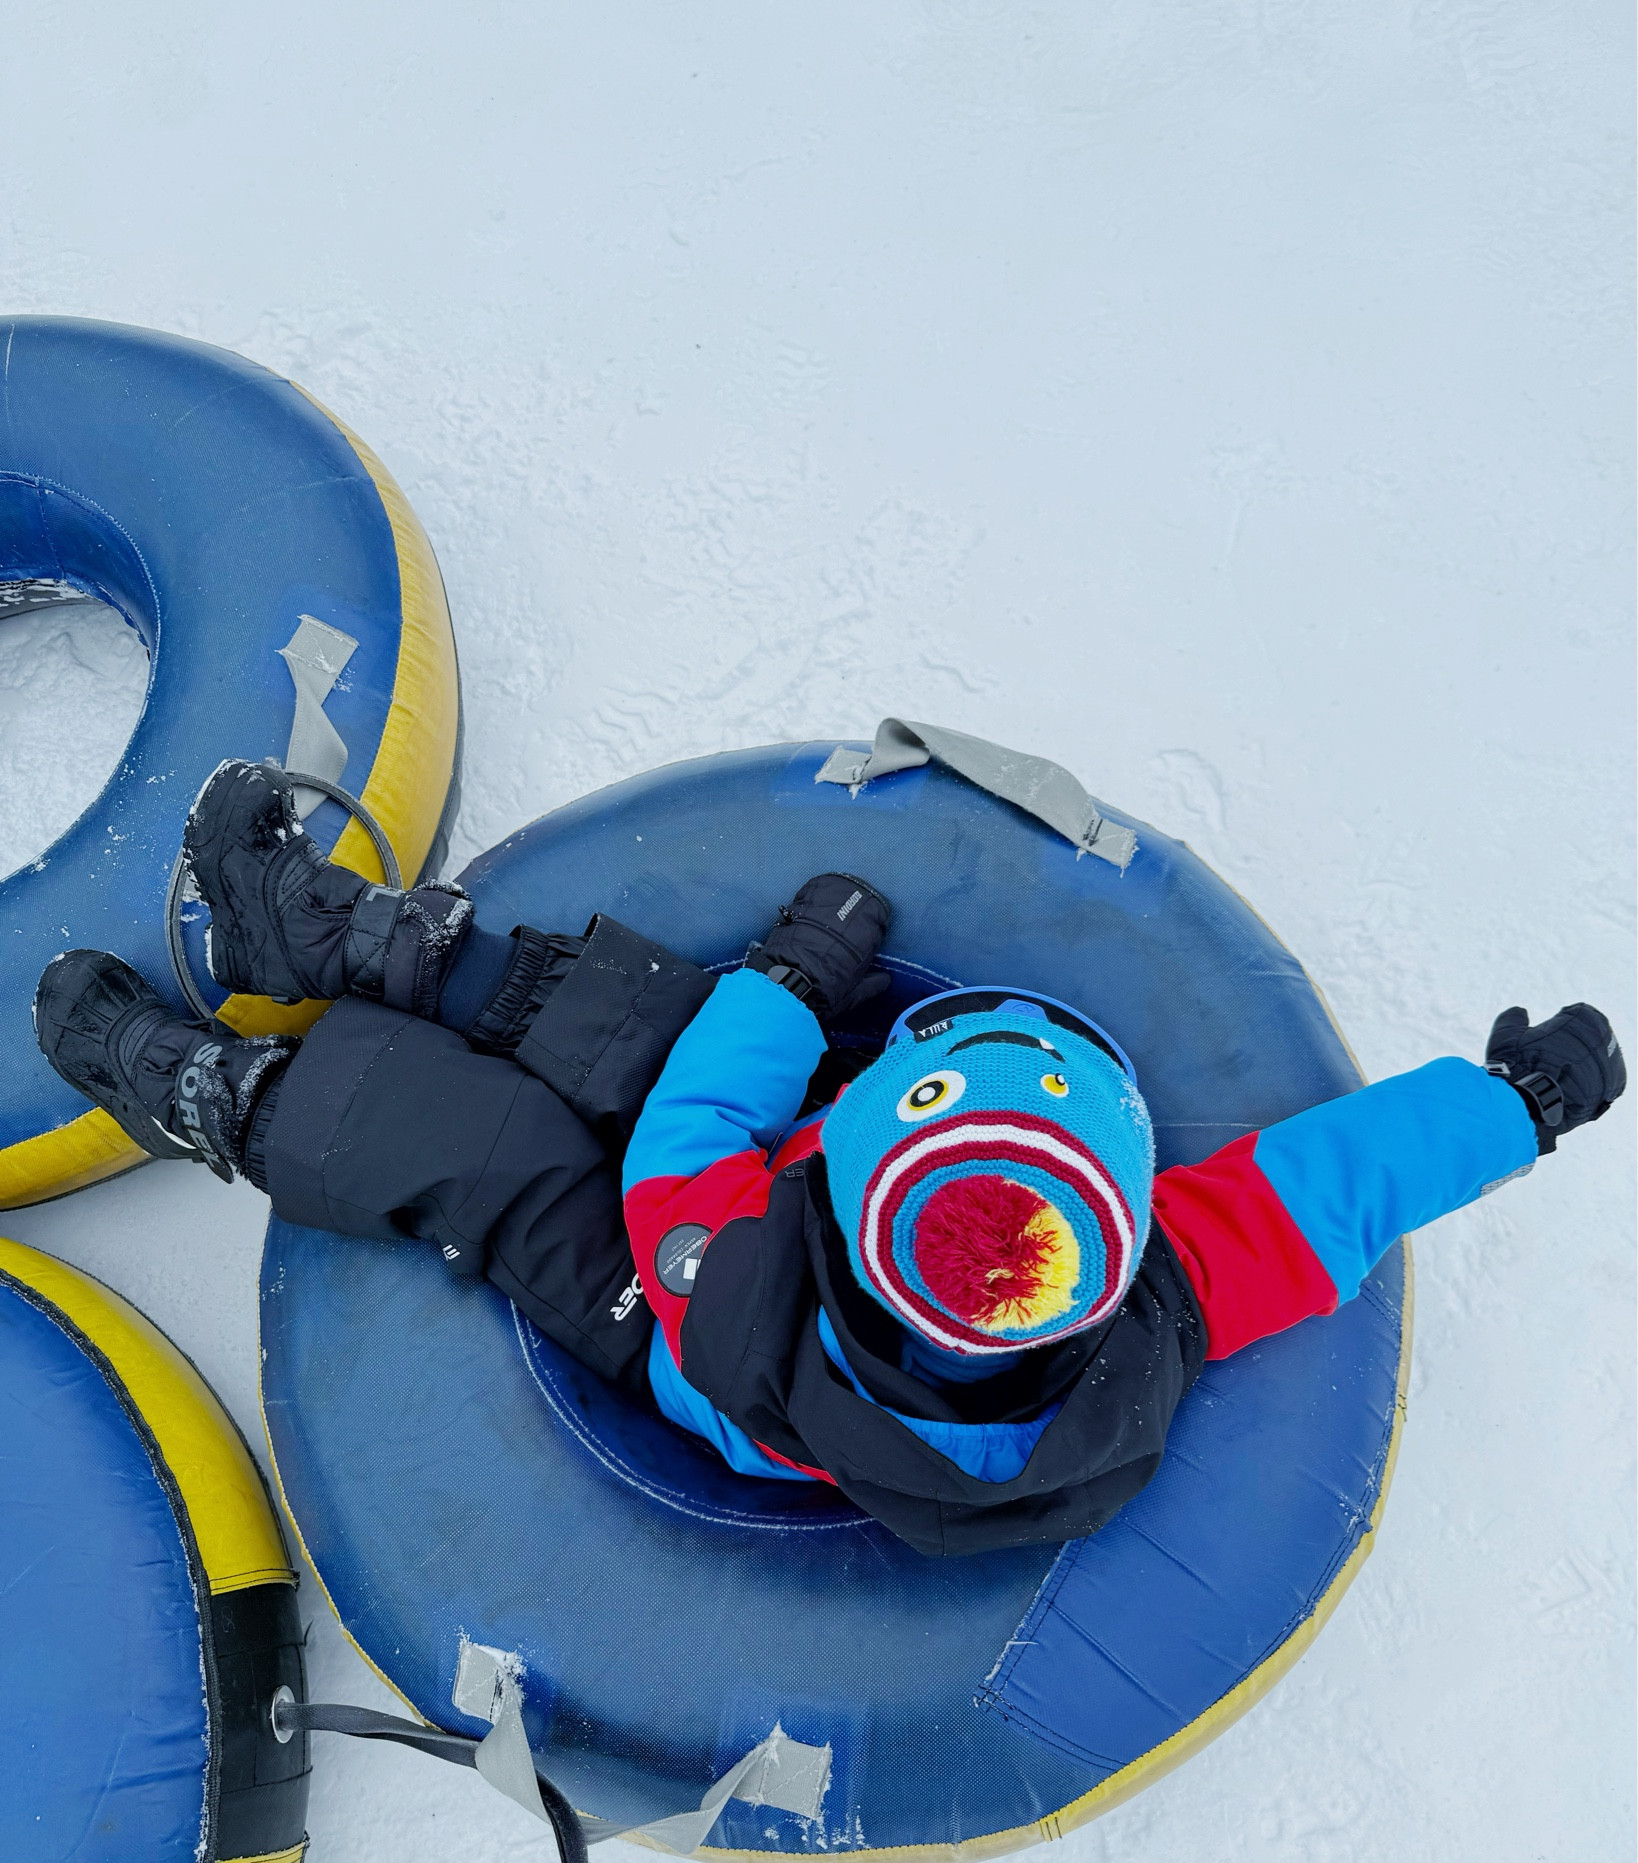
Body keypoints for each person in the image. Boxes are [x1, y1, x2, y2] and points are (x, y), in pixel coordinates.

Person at [36, 760, 1626, 1557]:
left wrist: (792, 983)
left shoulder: (727, 1258)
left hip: (686, 1337)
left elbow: (698, 1138)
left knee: (503, 1150)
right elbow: (1327, 1190)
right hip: (797, 1319)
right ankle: (307, 934)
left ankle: (215, 1096)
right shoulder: (1147, 1309)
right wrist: (1509, 1108)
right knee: (634, 1023)